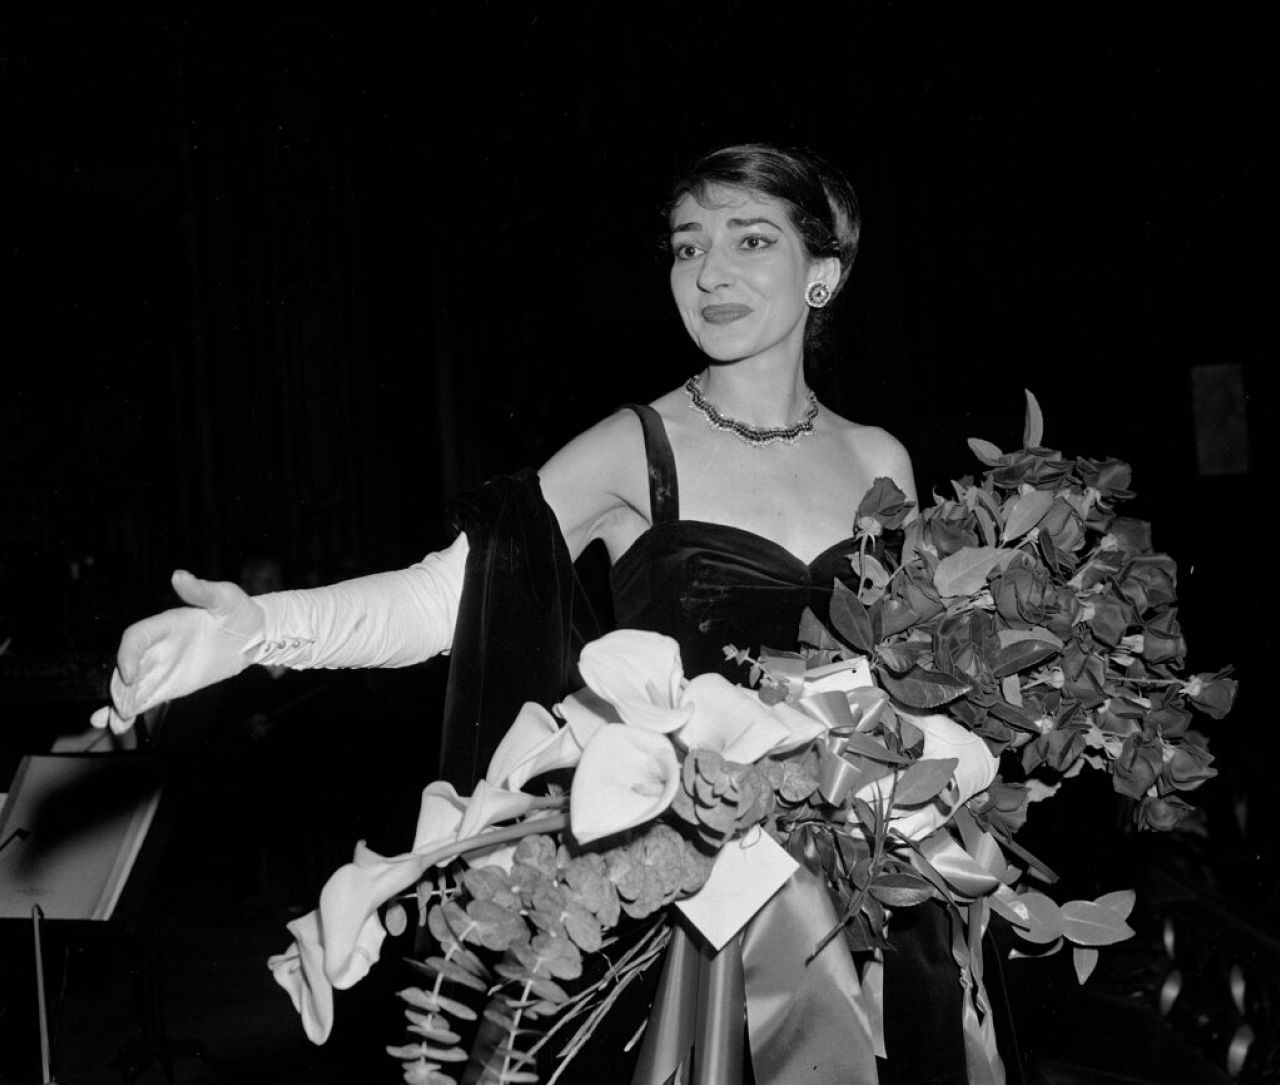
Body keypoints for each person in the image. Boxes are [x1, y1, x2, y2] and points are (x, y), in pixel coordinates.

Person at [94, 144, 997, 1084]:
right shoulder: (636, 445)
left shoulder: (880, 460)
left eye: (750, 240)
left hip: (862, 893)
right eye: (688, 248)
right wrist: (250, 630)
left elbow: (903, 673)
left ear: (823, 274)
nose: (710, 273)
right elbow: (441, 597)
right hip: (690, 899)